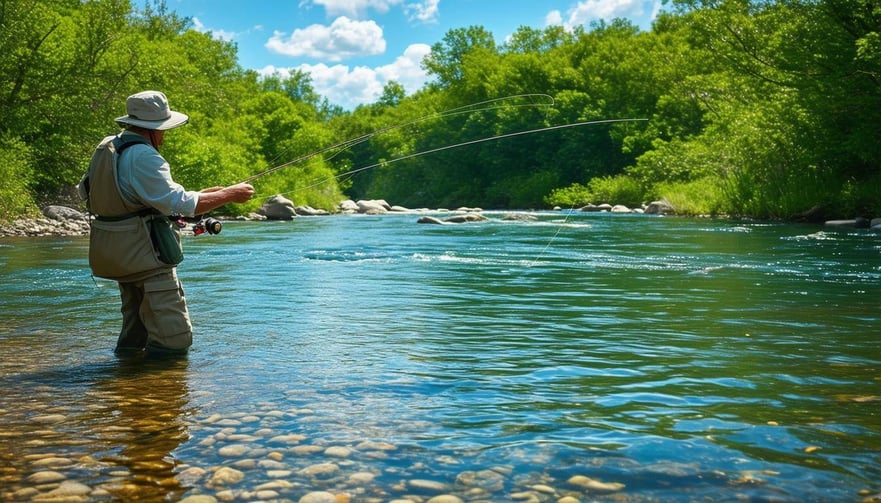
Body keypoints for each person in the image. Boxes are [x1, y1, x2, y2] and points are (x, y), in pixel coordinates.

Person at [78, 90, 255, 357]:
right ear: (151, 128)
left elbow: (95, 193)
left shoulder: (108, 146)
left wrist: (206, 194)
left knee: (136, 335)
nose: (163, 136)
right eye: (162, 130)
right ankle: (160, 394)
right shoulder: (144, 155)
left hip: (116, 255)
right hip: (146, 257)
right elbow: (179, 203)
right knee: (175, 342)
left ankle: (126, 388)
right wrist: (230, 195)